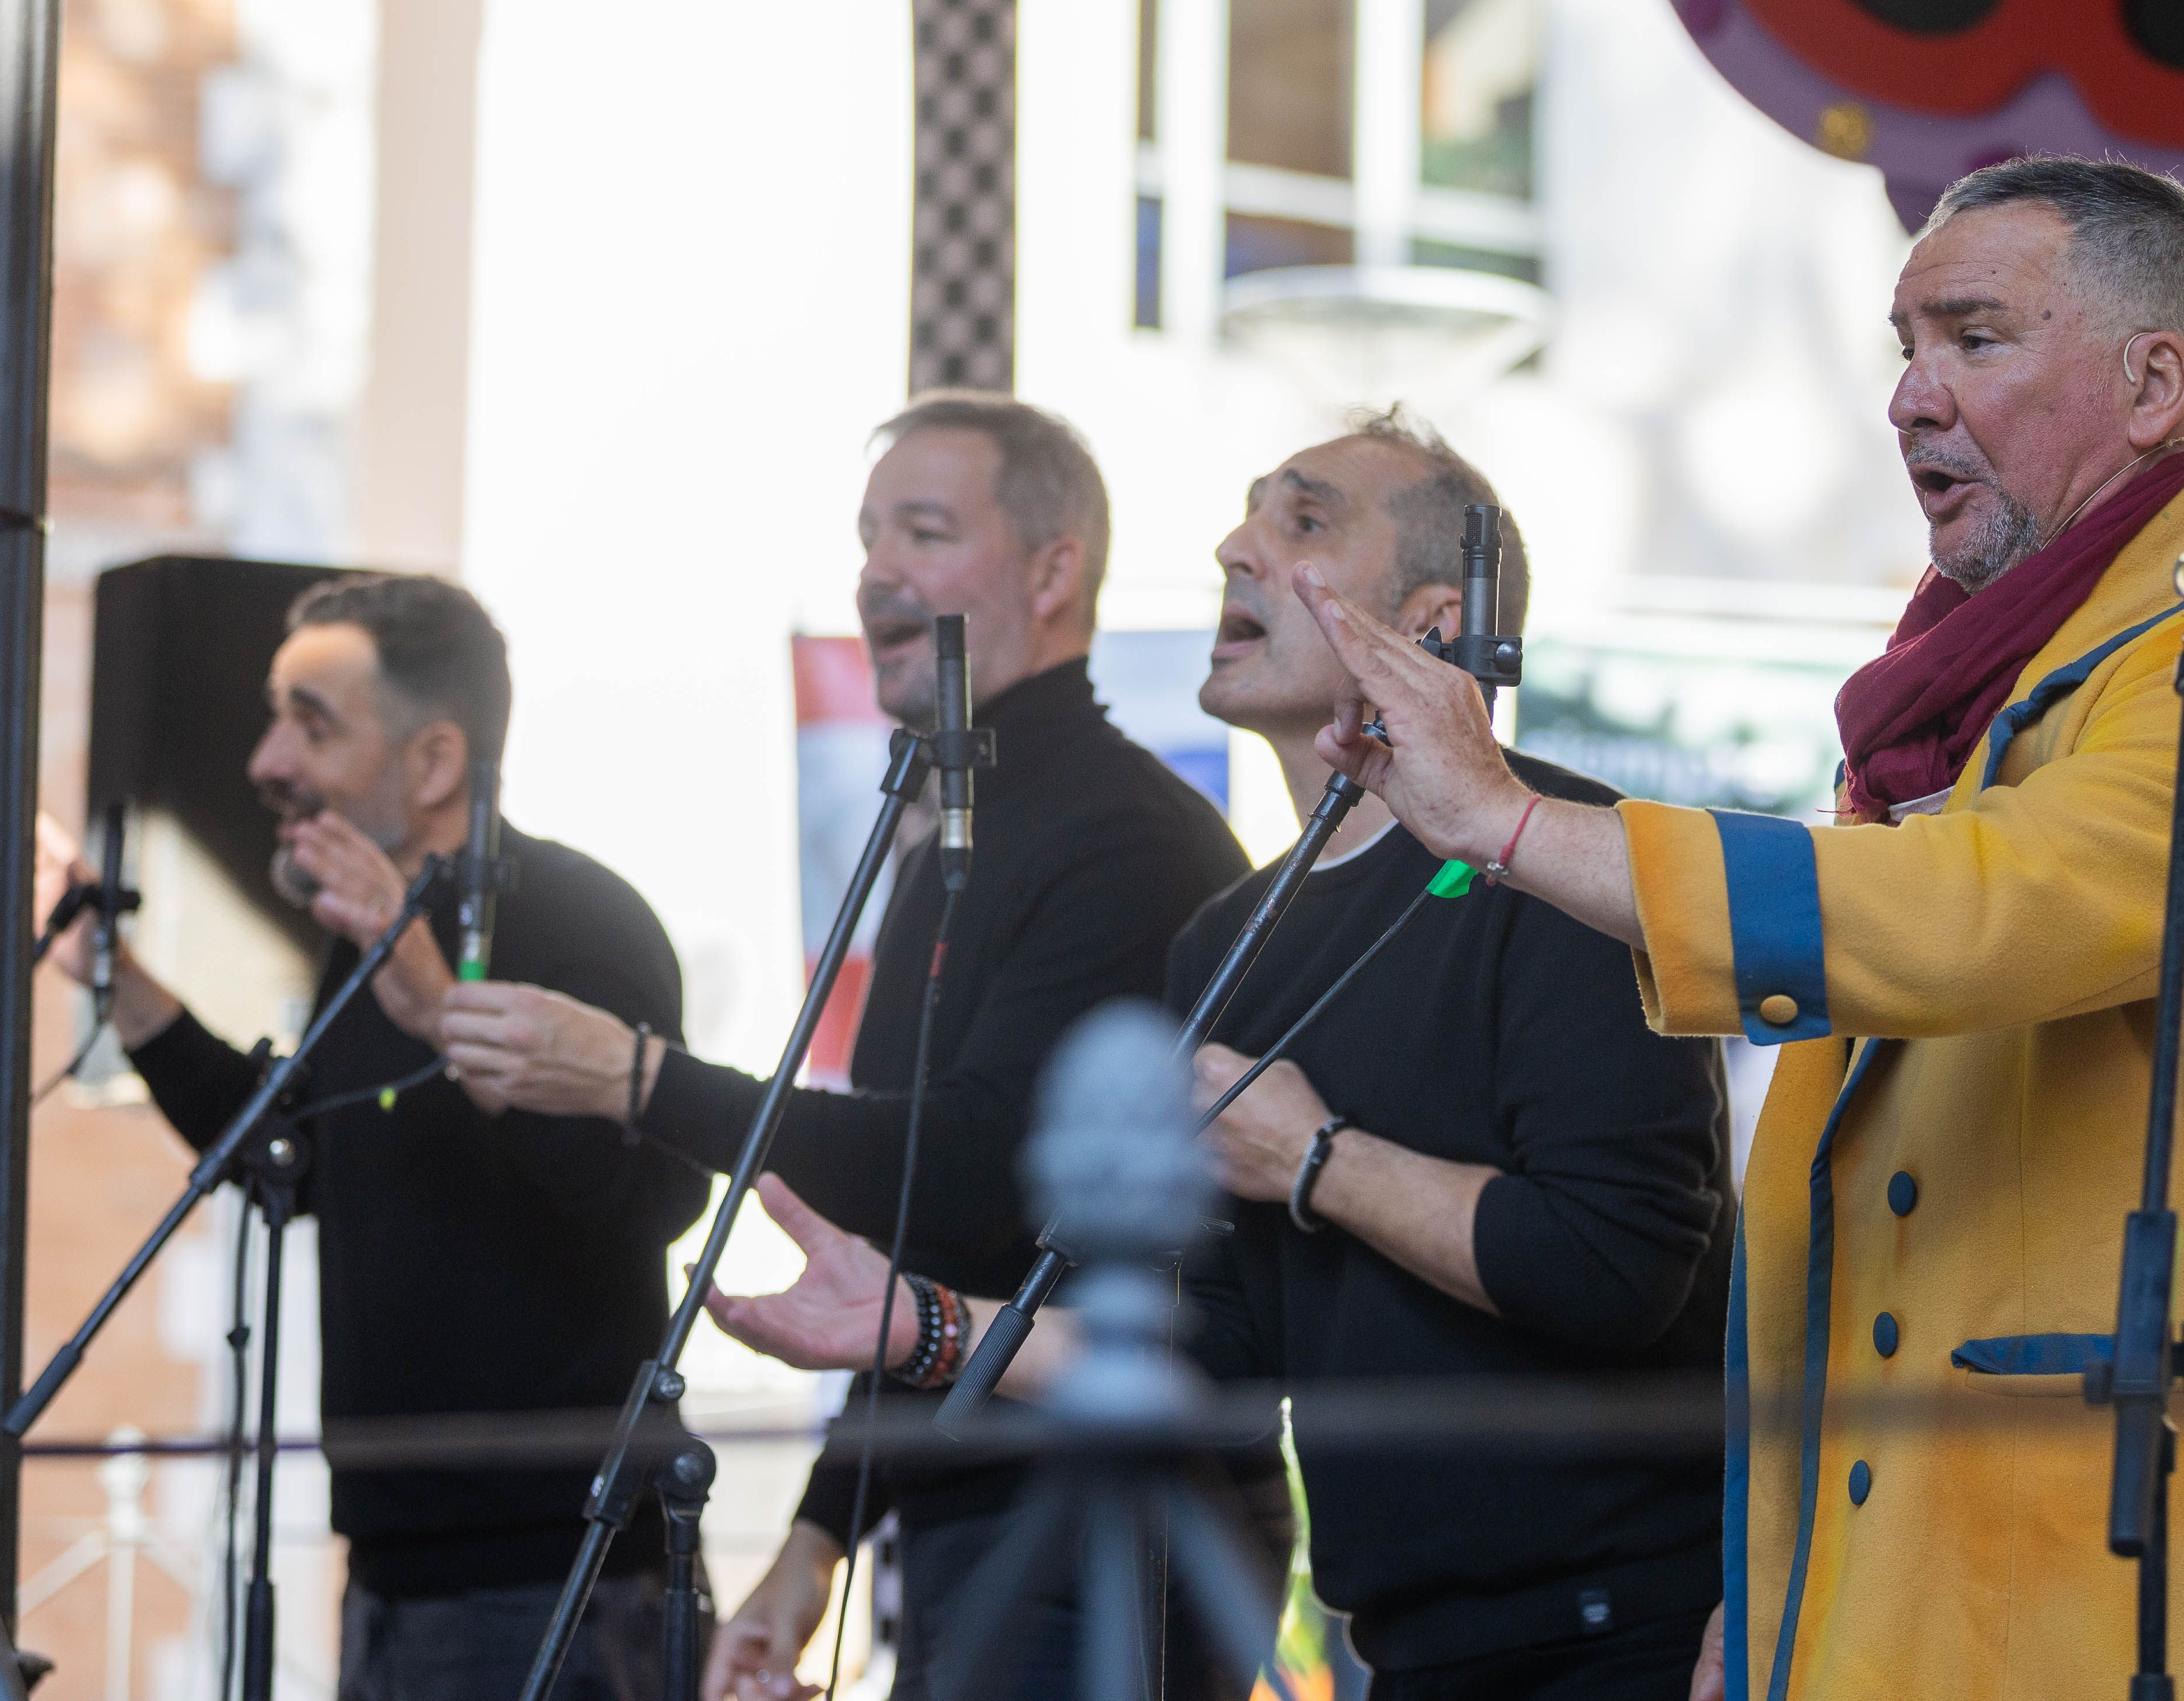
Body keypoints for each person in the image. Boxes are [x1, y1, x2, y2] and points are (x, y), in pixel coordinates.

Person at [1271, 162, 2184, 1701]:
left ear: (2155, 384)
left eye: (1973, 339)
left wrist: (1512, 823)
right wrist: (1759, 1617)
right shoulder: (1968, 725)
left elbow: (1975, 913)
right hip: (1910, 1612)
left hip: (2155, 1610)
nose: (1908, 397)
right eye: (1903, 344)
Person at [695, 412, 1735, 1701]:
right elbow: (1219, 1357)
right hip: (1403, 1649)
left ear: (1430, 621)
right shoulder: (1232, 943)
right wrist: (922, 1324)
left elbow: (1612, 1267)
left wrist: (1316, 1158)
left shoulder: (1570, 859)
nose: (1231, 549)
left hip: (1618, 1639)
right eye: (1247, 516)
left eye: (1301, 522)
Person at [436, 394, 1253, 1700]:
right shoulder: (945, 838)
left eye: (923, 533)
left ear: (1055, 570)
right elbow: (922, 1243)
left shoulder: (1124, 839)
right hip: (962, 1504)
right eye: (868, 538)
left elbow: (984, 1171)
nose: (877, 572)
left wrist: (631, 1078)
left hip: (1104, 1514)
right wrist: (818, 1542)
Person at [35, 573, 710, 1701]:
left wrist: (441, 1008)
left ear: (436, 761)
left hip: (563, 1582)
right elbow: (292, 1158)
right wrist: (120, 981)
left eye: (312, 725)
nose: (265, 764)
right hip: (394, 1577)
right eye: (274, 718)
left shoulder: (579, 920)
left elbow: (655, 1195)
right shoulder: (361, 949)